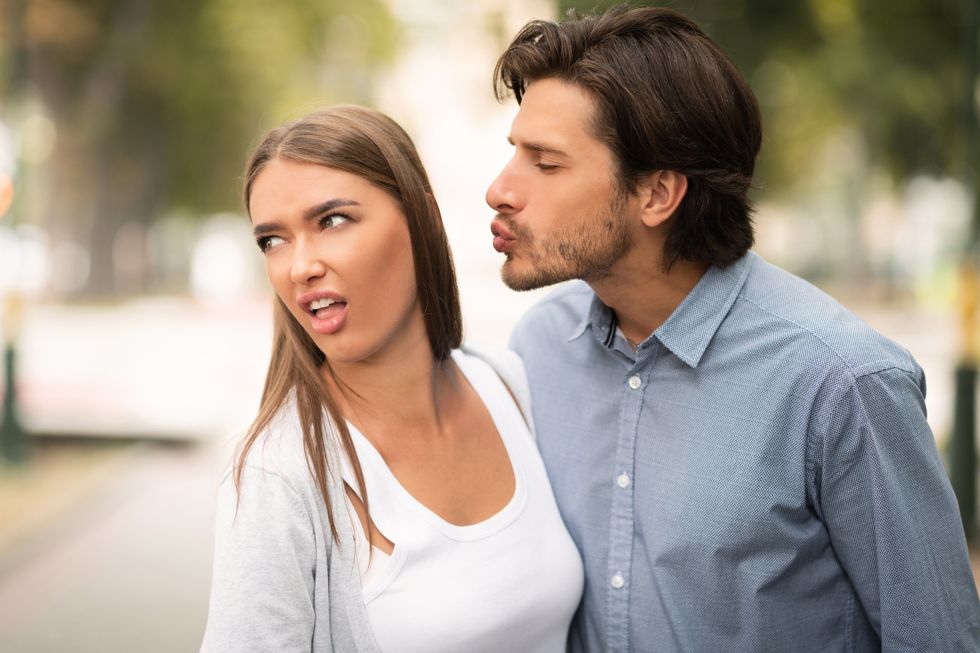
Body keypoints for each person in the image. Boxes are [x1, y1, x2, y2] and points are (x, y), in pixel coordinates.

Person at [486, 6, 980, 652]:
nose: (500, 190)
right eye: (514, 153)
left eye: (546, 163)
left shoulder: (843, 384)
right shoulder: (539, 348)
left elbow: (936, 638)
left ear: (657, 194)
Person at [200, 106, 583, 653]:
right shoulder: (277, 475)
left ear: (422, 217)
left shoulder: (509, 385)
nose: (299, 267)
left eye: (332, 221)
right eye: (273, 240)